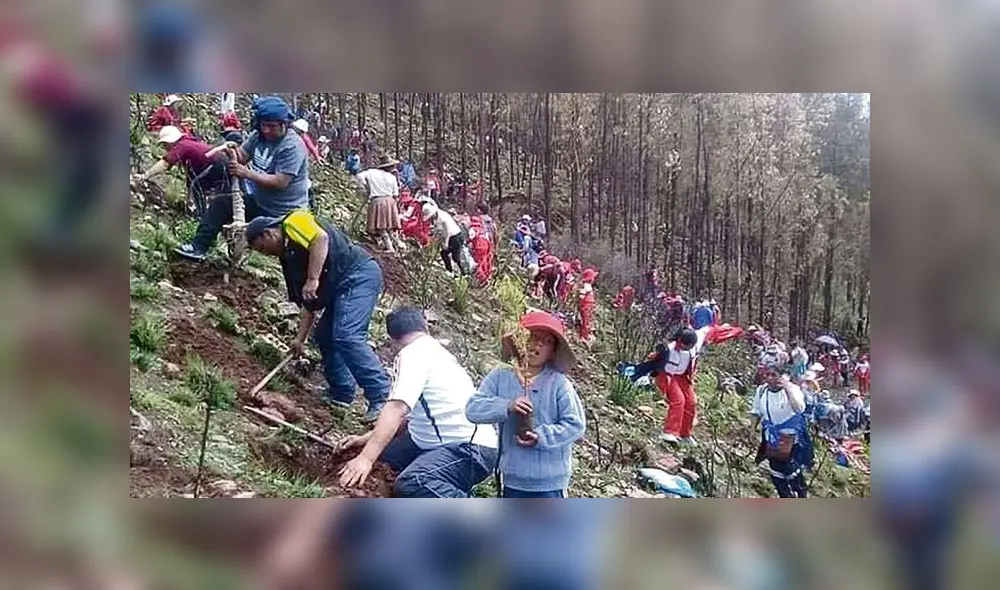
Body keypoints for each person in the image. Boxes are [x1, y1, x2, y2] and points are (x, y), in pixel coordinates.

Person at [245, 211, 390, 424]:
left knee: (347, 335)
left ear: (268, 234)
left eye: (261, 247)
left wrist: (313, 279)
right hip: (339, 287)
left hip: (358, 275)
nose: (264, 253)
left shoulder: (293, 221)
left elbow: (320, 238)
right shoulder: (289, 263)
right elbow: (308, 304)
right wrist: (300, 340)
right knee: (324, 335)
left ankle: (382, 397)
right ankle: (341, 393)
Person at [337, 307, 499, 496]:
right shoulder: (439, 354)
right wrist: (364, 440)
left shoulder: (412, 354)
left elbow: (397, 409)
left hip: (468, 449)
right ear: (425, 328)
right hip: (440, 442)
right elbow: (409, 418)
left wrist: (365, 459)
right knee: (382, 458)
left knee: (414, 481)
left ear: (393, 341)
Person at [174, 95, 311, 261]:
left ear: (284, 124)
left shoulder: (292, 147)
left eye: (271, 126)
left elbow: (281, 182)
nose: (266, 130)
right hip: (261, 203)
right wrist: (233, 151)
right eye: (263, 125)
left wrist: (246, 173)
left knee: (284, 250)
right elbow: (243, 156)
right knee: (221, 204)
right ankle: (198, 247)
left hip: (285, 213)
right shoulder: (258, 136)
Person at [466, 311, 586, 498]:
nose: (538, 344)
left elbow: (575, 425)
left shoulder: (558, 383)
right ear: (520, 340)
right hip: (513, 478)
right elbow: (473, 409)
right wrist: (507, 405)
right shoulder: (501, 375)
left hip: (549, 483)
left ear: (553, 352)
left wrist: (540, 436)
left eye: (547, 342)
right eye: (533, 337)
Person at [632, 326, 709, 445]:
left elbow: (707, 330)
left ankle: (685, 434)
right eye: (685, 346)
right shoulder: (668, 349)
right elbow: (652, 361)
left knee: (691, 402)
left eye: (690, 346)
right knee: (679, 400)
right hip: (666, 376)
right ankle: (670, 432)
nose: (687, 348)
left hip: (683, 377)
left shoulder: (695, 344)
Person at [130, 125, 229, 216]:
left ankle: (201, 216)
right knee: (198, 185)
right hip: (219, 163)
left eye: (165, 144)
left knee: (197, 186)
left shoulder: (182, 146)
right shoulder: (188, 143)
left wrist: (145, 176)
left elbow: (164, 164)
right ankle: (203, 212)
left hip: (217, 165)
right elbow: (190, 177)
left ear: (170, 141)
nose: (164, 147)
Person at [751, 362, 813, 498]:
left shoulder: (793, 389)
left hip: (790, 438)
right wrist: (752, 430)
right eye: (768, 374)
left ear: (781, 376)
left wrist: (787, 387)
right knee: (775, 470)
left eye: (774, 375)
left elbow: (799, 408)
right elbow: (756, 411)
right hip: (771, 437)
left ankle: (801, 494)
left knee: (791, 469)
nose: (770, 378)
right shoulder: (762, 390)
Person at [355, 154, 404, 253]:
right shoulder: (391, 177)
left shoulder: (371, 172)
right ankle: (396, 244)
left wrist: (366, 186)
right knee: (388, 226)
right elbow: (395, 194)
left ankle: (390, 247)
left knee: (380, 226)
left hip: (377, 201)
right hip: (390, 201)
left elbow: (359, 176)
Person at [423, 203, 468, 275]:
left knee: (456, 257)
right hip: (450, 237)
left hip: (455, 237)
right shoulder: (436, 218)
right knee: (444, 254)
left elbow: (448, 231)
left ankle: (462, 274)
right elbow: (439, 231)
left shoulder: (442, 217)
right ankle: (450, 271)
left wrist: (446, 242)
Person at [578, 268, 598, 344]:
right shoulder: (587, 286)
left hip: (588, 305)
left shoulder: (587, 285)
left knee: (587, 321)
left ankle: (585, 335)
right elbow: (581, 295)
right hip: (586, 305)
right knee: (586, 321)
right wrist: (581, 298)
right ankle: (583, 337)